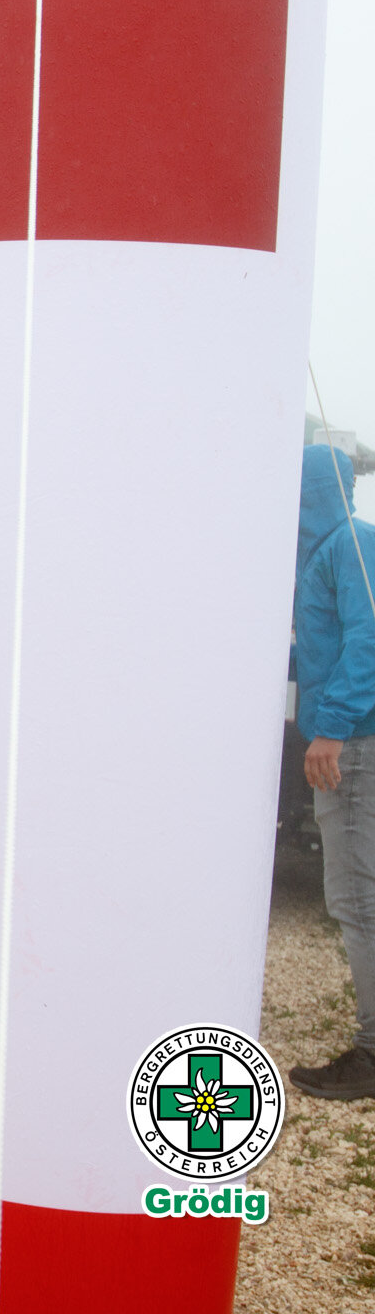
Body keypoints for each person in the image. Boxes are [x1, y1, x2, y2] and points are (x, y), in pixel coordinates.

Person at [289, 444, 375, 1099]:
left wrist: (331, 729)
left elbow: (368, 635)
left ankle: (371, 1056)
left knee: (358, 901)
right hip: (355, 738)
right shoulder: (333, 548)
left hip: (355, 744)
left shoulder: (348, 544)